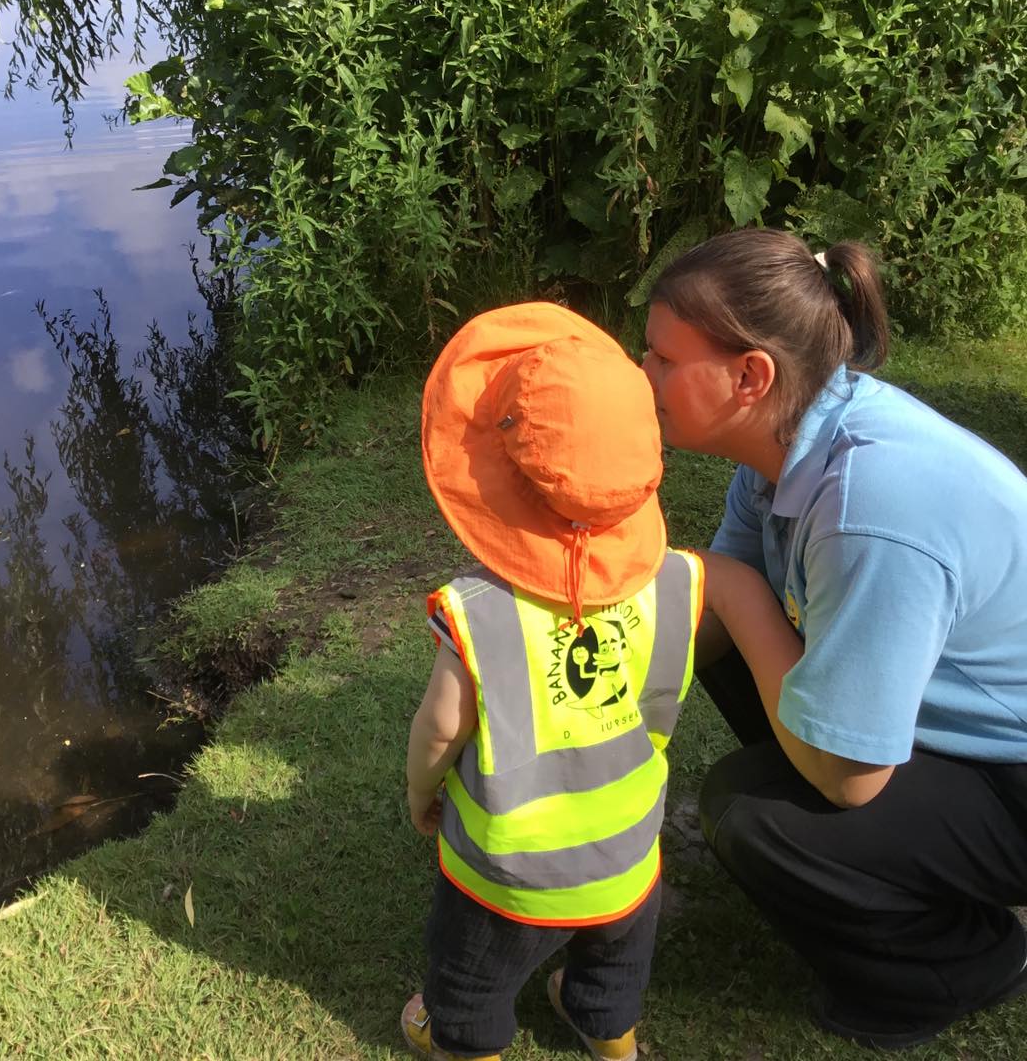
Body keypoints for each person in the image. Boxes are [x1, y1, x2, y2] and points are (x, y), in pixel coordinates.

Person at [642, 227, 1027, 1050]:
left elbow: (851, 780)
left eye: (664, 359)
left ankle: (965, 962)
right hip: (968, 723)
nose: (644, 376)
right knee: (727, 622)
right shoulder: (791, 438)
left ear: (751, 376)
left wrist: (736, 589)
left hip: (1015, 772)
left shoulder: (868, 507)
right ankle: (886, 859)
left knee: (750, 812)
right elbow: (706, 625)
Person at [402, 302, 801, 1061]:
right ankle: (610, 1036)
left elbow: (443, 726)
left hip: (509, 872)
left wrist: (423, 790)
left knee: (470, 981)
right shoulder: (682, 583)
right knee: (614, 967)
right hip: (628, 853)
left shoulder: (478, 614)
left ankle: (464, 1039)